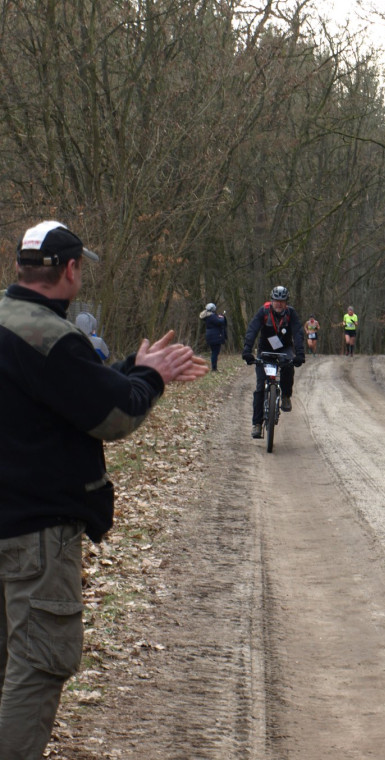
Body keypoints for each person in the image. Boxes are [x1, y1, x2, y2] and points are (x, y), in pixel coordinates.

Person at [0, 221, 208, 759]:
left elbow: (65, 393)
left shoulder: (12, 323)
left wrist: (133, 368)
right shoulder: (52, 338)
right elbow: (114, 415)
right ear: (71, 270)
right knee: (39, 662)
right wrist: (151, 378)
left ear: (20, 266)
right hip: (33, 533)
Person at [241, 285, 305, 438]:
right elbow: (252, 330)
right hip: (265, 349)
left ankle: (286, 396)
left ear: (286, 302)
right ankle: (257, 424)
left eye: (282, 301)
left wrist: (300, 354)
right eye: (276, 300)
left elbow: (298, 333)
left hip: (284, 348)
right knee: (260, 387)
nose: (279, 304)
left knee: (288, 367)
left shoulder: (291, 314)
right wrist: (247, 351)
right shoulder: (263, 312)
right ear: (272, 300)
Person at [199, 302, 227, 371]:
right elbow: (220, 322)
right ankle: (214, 368)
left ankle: (214, 367)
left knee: (214, 352)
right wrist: (222, 317)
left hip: (210, 336)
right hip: (215, 336)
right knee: (215, 352)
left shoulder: (208, 316)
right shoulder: (211, 316)